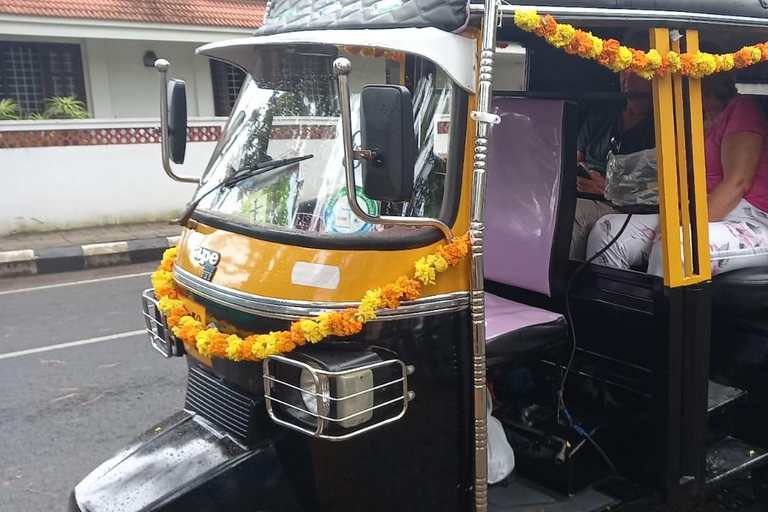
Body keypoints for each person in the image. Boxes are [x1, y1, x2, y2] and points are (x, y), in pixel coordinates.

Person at [586, 72, 768, 276]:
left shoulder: (742, 107)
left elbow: (737, 182)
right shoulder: (685, 119)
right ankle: (617, 307)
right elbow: (670, 178)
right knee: (606, 231)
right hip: (690, 210)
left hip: (748, 218)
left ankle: (662, 308)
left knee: (675, 244)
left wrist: (683, 222)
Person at [570, 31, 656, 260]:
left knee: (570, 216)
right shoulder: (602, 115)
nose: (627, 79)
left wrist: (609, 190)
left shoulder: (664, 125)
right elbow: (574, 157)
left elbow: (657, 189)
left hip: (624, 209)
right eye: (623, 71)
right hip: (578, 193)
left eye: (635, 72)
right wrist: (583, 173)